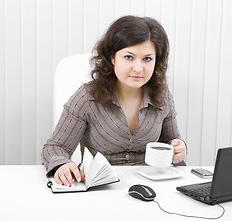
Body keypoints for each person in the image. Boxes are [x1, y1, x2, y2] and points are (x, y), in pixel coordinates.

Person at [41, 15, 187, 187]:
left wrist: (179, 149)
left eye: (147, 59)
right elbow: (54, 147)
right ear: (112, 58)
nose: (138, 68)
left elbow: (172, 142)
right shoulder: (87, 97)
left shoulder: (163, 96)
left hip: (151, 188)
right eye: (129, 57)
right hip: (102, 188)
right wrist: (62, 164)